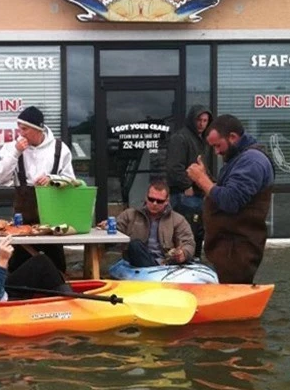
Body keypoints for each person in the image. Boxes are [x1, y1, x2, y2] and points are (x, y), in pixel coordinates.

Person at [186, 114, 275, 284]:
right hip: (229, 249)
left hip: (237, 251)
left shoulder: (252, 161)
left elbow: (231, 201)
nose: (216, 151)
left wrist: (201, 179)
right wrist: (206, 177)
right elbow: (224, 193)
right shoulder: (240, 159)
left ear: (233, 137)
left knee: (234, 304)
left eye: (218, 145)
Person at [0, 106, 75, 272]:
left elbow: (72, 181)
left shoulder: (59, 148)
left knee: (55, 269)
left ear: (38, 129)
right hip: (22, 222)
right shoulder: (11, 147)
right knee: (19, 270)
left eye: (24, 129)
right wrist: (15, 153)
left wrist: (53, 179)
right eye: (19, 128)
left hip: (52, 221)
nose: (20, 133)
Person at [107, 179, 195, 267]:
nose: (154, 203)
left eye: (159, 201)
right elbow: (114, 234)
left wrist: (183, 254)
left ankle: (154, 268)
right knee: (135, 245)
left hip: (166, 263)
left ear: (167, 201)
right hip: (137, 262)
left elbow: (189, 243)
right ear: (146, 197)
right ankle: (152, 268)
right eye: (151, 199)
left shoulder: (177, 220)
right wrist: (106, 228)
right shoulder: (130, 215)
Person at [166, 105, 214, 259]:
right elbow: (173, 168)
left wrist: (213, 184)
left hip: (198, 196)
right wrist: (187, 185)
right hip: (184, 196)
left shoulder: (201, 141)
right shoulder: (180, 138)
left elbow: (203, 169)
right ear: (192, 120)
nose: (202, 124)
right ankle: (185, 263)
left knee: (198, 232)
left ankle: (194, 261)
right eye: (199, 120)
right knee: (186, 233)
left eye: (205, 120)